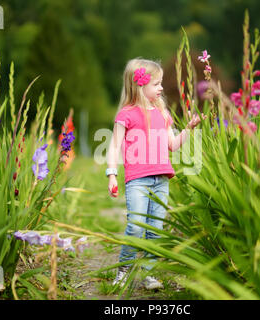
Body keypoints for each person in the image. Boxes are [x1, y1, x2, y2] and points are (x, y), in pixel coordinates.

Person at [106, 58, 206, 290]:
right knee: (137, 226)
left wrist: (189, 130)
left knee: (155, 229)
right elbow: (113, 146)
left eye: (161, 83)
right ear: (139, 85)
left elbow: (172, 145)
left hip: (161, 180)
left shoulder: (162, 113)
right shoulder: (126, 115)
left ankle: (149, 273)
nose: (161, 88)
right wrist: (112, 174)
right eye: (157, 83)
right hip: (138, 180)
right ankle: (123, 270)